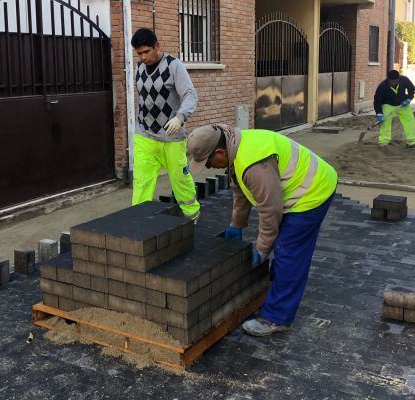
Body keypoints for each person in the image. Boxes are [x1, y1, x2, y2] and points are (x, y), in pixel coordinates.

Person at [187, 125, 338, 336]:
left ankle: (277, 317)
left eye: (208, 162)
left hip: (312, 191)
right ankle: (279, 285)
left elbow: (270, 211)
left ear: (219, 152)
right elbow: (240, 189)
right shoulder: (234, 146)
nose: (210, 167)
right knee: (283, 247)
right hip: (294, 189)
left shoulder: (254, 164)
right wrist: (236, 225)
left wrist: (262, 248)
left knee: (288, 251)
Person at [130, 28, 200, 220]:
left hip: (172, 138)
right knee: (141, 182)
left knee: (180, 180)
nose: (143, 57)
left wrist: (180, 117)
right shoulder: (139, 68)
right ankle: (138, 221)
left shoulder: (173, 66)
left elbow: (190, 95)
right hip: (145, 136)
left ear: (157, 46)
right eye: (139, 53)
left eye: (146, 52)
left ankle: (192, 215)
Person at [374, 69, 415, 148]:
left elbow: (412, 90)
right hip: (388, 105)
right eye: (391, 81)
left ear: (399, 79)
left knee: (410, 120)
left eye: (395, 81)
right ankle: (384, 141)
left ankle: (411, 141)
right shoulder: (382, 86)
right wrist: (379, 113)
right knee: (385, 122)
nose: (393, 83)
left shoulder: (404, 80)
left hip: (402, 104)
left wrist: (408, 99)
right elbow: (377, 101)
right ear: (388, 80)